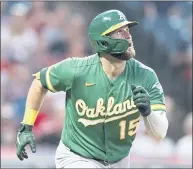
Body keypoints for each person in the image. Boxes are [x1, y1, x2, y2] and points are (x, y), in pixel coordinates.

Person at [16, 10, 169, 168]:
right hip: (77, 156)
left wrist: (148, 113)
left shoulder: (146, 76)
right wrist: (26, 127)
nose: (128, 36)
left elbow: (160, 133)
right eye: (119, 32)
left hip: (120, 160)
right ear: (103, 42)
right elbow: (39, 82)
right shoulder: (77, 69)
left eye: (127, 30)